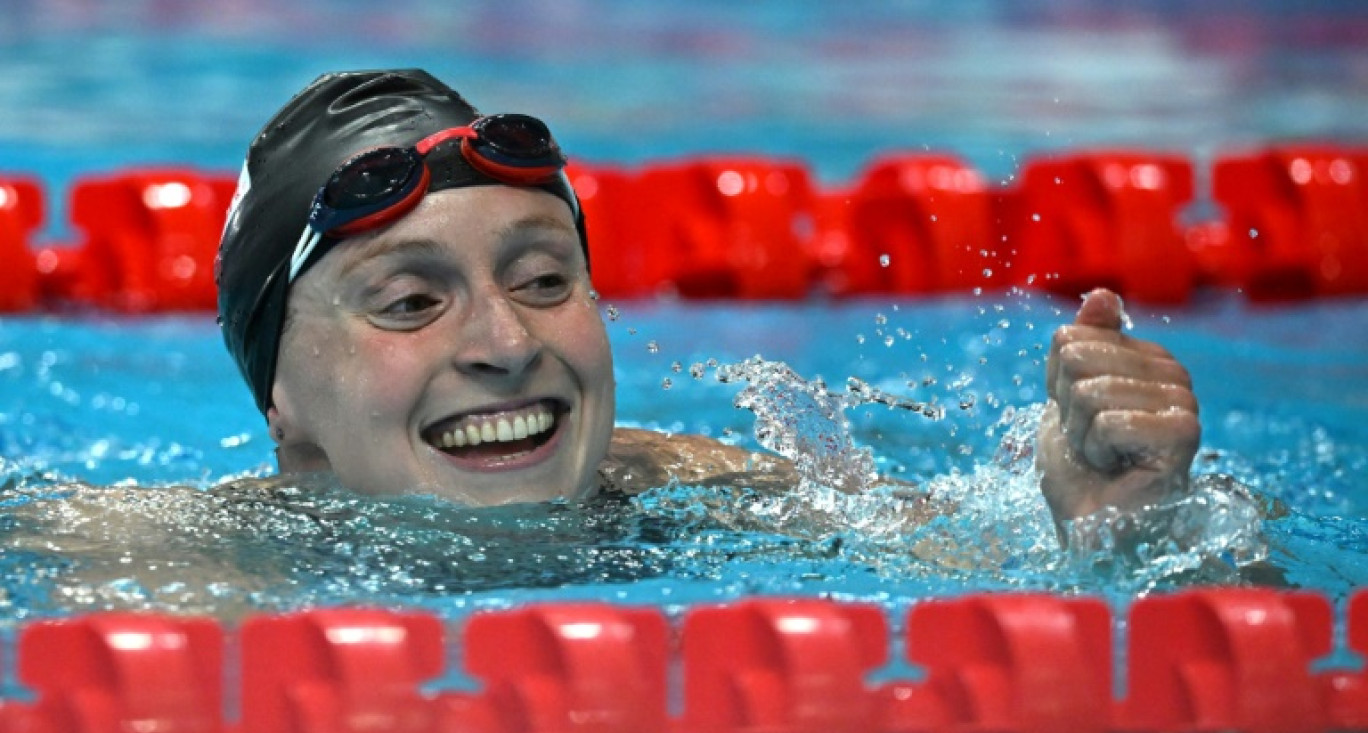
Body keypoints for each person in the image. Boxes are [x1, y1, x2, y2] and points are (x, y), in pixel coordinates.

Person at [216, 68, 1200, 542]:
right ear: (283, 402)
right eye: (410, 298)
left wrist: (1123, 528)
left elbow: (984, 578)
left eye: (545, 280)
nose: (508, 343)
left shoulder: (712, 497)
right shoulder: (170, 566)